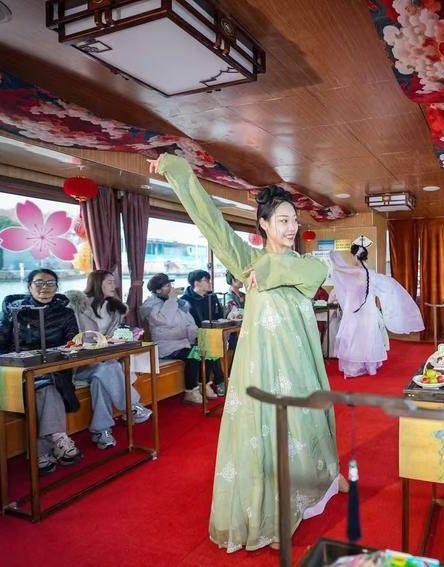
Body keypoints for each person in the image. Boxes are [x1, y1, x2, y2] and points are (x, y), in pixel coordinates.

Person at [149, 152, 345, 553]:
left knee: (310, 423)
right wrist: (180, 174)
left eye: (294, 220)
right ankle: (274, 509)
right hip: (262, 365)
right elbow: (213, 226)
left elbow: (314, 274)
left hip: (300, 363)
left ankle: (324, 480)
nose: (291, 227)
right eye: (282, 220)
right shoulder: (248, 261)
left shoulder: (303, 264)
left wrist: (270, 270)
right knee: (269, 432)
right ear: (264, 225)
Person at [0, 269, 82, 475]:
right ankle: (59, 438)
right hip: (18, 374)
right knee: (45, 388)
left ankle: (41, 453)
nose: (44, 288)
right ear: (29, 286)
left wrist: (62, 354)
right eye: (39, 283)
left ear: (57, 287)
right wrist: (14, 362)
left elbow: (73, 344)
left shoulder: (65, 313)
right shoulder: (12, 312)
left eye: (50, 283)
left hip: (56, 370)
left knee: (47, 387)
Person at [66, 270, 151, 449]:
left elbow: (113, 337)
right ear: (97, 283)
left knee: (101, 376)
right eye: (110, 282)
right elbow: (74, 337)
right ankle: (131, 406)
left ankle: (101, 431)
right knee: (108, 367)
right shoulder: (77, 307)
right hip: (80, 363)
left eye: (114, 282)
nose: (115, 285)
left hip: (105, 361)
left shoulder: (115, 309)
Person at [330, 239, 424, 377]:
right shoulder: (372, 274)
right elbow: (389, 287)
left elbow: (340, 270)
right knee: (369, 337)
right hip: (368, 312)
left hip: (354, 312)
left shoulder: (352, 273)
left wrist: (334, 257)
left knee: (354, 338)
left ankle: (354, 367)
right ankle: (371, 367)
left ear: (355, 256)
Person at [140, 273, 218, 404]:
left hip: (183, 343)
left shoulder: (178, 304)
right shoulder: (151, 306)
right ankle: (190, 392)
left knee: (208, 348)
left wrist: (198, 336)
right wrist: (172, 299)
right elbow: (164, 320)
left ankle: (204, 384)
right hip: (166, 347)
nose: (171, 288)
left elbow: (189, 323)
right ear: (157, 290)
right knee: (193, 355)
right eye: (167, 286)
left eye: (170, 285)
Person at [181, 269, 227, 394]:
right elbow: (187, 324)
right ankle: (218, 381)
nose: (210, 283)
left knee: (211, 343)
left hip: (210, 335)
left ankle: (212, 382)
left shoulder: (211, 297)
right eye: (207, 281)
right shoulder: (185, 300)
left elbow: (219, 316)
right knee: (209, 345)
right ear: (197, 283)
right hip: (192, 336)